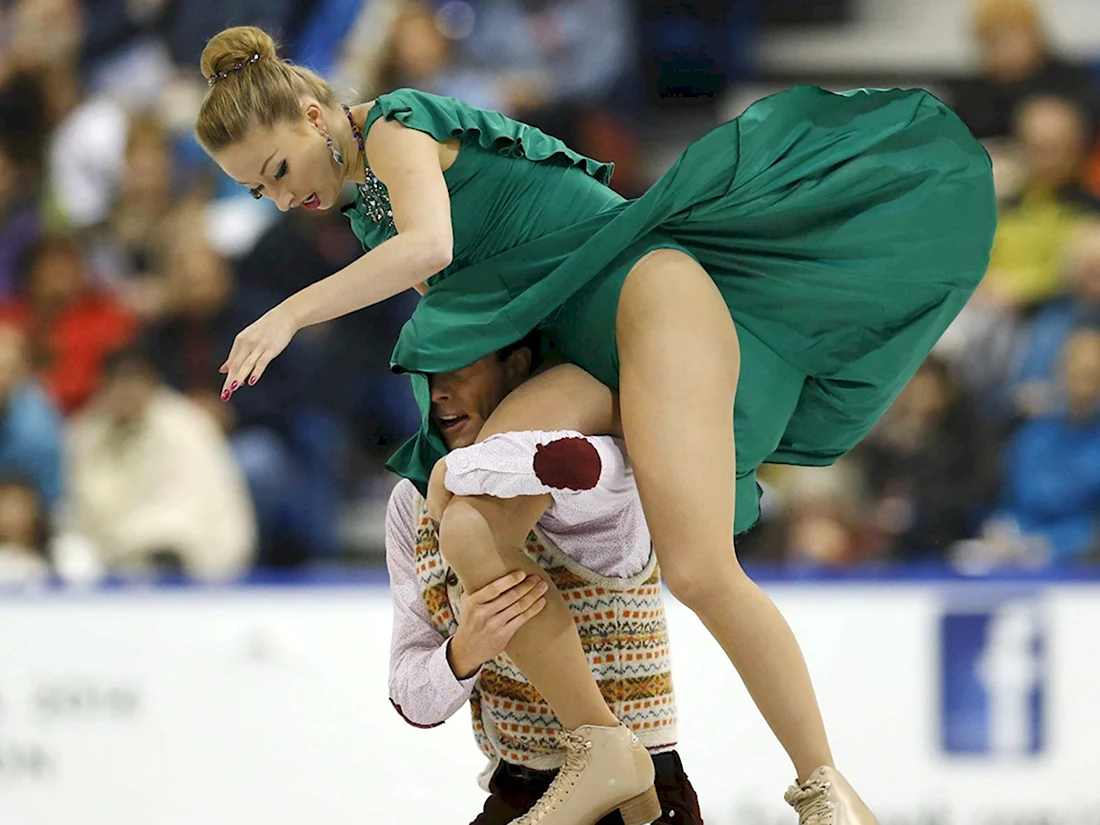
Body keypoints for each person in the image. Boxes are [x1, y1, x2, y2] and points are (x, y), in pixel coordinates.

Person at [195, 26, 996, 825]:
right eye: (256, 191)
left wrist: (288, 315)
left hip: (647, 304)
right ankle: (603, 746)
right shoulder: (361, 196)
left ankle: (826, 785)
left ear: (312, 113)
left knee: (699, 569)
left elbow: (429, 245)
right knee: (466, 514)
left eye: (277, 170)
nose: (278, 196)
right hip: (570, 357)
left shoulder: (396, 126)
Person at [386, 332, 702, 824]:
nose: (438, 392)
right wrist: (463, 651)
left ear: (516, 367)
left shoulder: (600, 462)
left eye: (457, 369)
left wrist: (461, 468)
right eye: (425, 377)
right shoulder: (411, 503)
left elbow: (571, 467)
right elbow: (411, 698)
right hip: (519, 789)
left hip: (642, 793)